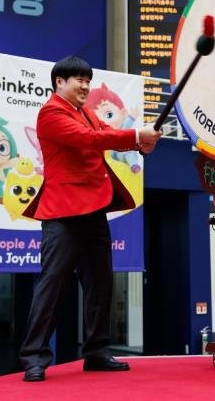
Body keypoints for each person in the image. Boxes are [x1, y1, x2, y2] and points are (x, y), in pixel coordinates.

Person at [19, 56, 161, 382]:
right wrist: (138, 134)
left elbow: (110, 134)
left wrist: (142, 142)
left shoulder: (88, 114)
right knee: (52, 286)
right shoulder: (51, 113)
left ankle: (96, 351)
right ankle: (34, 358)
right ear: (59, 83)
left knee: (101, 285)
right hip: (63, 214)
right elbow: (92, 140)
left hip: (95, 210)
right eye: (77, 79)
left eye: (87, 79)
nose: (85, 85)